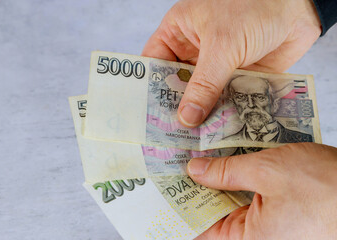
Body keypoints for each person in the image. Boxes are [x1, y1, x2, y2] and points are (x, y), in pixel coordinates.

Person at [142, 0, 337, 239]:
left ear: (274, 102)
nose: (251, 106)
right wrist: (298, 7)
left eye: (257, 97)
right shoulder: (227, 144)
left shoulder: (297, 141)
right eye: (243, 99)